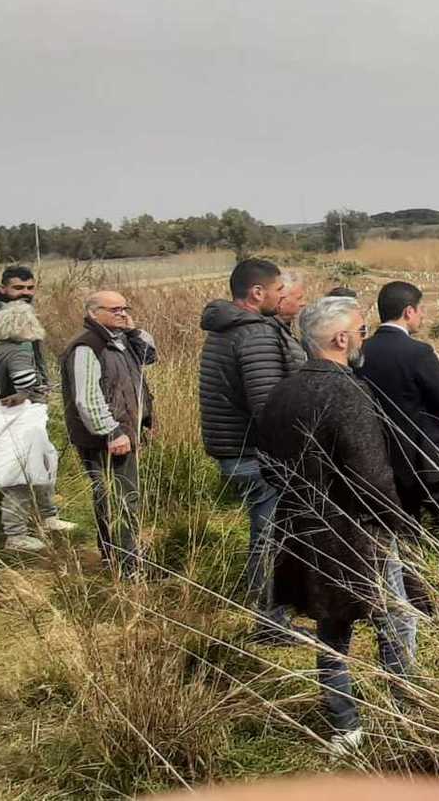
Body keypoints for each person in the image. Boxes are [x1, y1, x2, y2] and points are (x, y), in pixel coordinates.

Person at [258, 296, 417, 754]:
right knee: (397, 622)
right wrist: (401, 525)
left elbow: (268, 466)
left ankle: (345, 726)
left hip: (300, 527)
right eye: (362, 331)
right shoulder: (348, 392)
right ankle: (406, 712)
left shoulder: (282, 392)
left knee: (331, 631)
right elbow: (371, 475)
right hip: (357, 533)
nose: (364, 339)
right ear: (341, 338)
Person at [198, 258, 302, 640]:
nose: (282, 297)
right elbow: (269, 406)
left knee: (267, 535)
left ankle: (273, 614)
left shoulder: (228, 329)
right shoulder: (255, 333)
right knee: (272, 538)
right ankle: (270, 624)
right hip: (256, 455)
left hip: (237, 450)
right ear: (257, 293)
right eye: (278, 291)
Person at [360, 281, 439, 626]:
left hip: (386, 461)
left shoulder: (361, 353)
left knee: (406, 534)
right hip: (430, 460)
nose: (423, 316)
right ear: (408, 312)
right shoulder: (419, 353)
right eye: (421, 310)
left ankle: (418, 606)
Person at [0, 301, 74, 551]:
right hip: (19, 421)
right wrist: (28, 392)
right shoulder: (18, 352)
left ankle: (48, 518)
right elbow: (25, 381)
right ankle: (18, 535)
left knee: (39, 469)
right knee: (23, 477)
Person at [60, 291, 156, 576]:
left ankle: (123, 556)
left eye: (125, 307)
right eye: (114, 309)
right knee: (119, 499)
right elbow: (87, 399)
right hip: (106, 440)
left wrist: (135, 329)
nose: (122, 313)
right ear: (93, 313)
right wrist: (112, 432)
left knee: (125, 497)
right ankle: (126, 566)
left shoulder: (121, 341)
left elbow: (149, 356)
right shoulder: (87, 347)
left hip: (126, 433)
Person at [275, 270, 308, 367]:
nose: (303, 303)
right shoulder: (265, 335)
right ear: (281, 299)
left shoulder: (284, 329)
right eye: (299, 298)